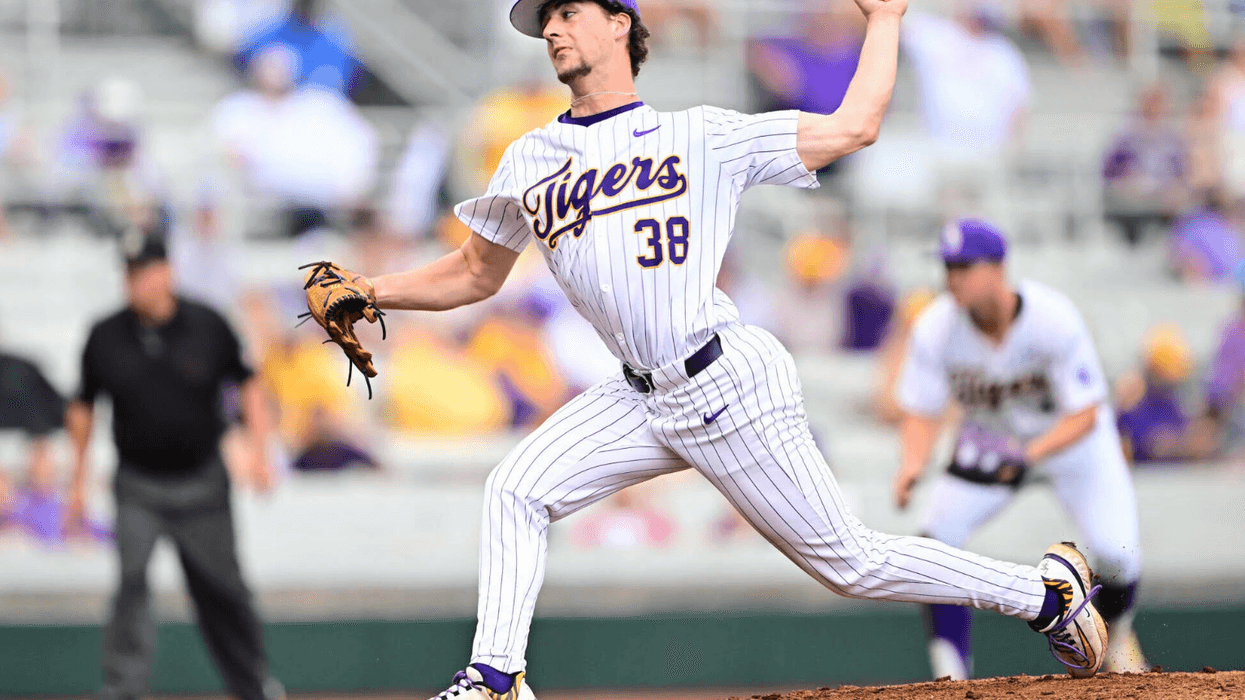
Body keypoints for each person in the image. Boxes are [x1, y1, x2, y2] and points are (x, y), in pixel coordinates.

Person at [330, 2, 1109, 697]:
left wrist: (886, 19)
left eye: (567, 11)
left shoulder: (701, 134)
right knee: (514, 490)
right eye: (545, 22)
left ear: (619, 25)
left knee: (849, 563)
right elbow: (471, 273)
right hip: (636, 395)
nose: (553, 29)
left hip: (722, 380)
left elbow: (854, 126)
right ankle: (495, 679)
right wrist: (369, 288)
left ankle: (1041, 594)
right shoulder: (529, 157)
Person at [893, 219, 1145, 680]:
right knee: (933, 541)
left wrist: (1028, 455)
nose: (953, 278)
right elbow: (921, 410)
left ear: (998, 268)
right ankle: (949, 674)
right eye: (948, 267)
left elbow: (1085, 413)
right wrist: (912, 465)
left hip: (1074, 446)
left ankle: (1116, 634)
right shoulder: (935, 326)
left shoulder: (1053, 317)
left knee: (1117, 554)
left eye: (965, 266)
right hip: (990, 446)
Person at [64, 232, 282, 700]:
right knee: (131, 584)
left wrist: (259, 453)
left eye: (143, 271)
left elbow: (249, 384)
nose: (135, 283)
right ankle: (123, 690)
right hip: (137, 485)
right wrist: (76, 484)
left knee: (222, 589)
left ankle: (253, 685)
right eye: (128, 273)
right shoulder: (105, 335)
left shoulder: (207, 324)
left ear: (166, 272)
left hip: (202, 484)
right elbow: (82, 406)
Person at [1102, 83, 1189, 246]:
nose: (1156, 108)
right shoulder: (1125, 135)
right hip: (1131, 198)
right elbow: (1110, 171)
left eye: (1160, 103)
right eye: (1152, 102)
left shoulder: (1172, 137)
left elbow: (1180, 171)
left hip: (1162, 198)